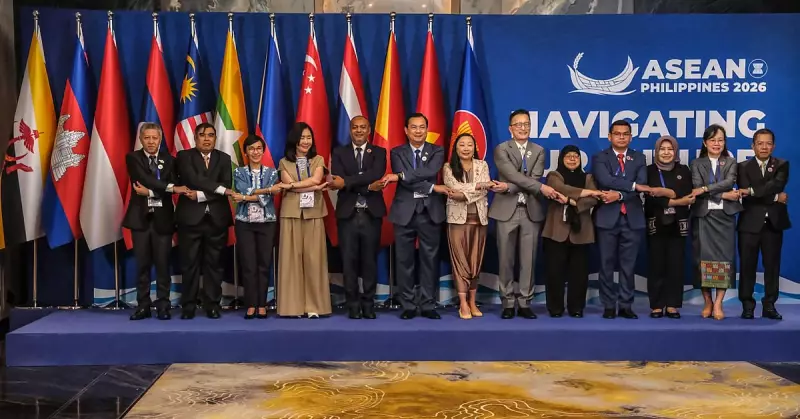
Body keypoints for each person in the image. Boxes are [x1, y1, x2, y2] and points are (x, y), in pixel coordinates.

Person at [381, 113, 449, 320]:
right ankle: (408, 305)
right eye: (414, 127)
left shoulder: (437, 150)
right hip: (404, 212)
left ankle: (428, 304)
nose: (418, 131)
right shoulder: (397, 152)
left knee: (430, 260)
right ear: (406, 130)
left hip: (430, 212)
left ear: (427, 129)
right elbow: (410, 181)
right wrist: (432, 187)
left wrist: (401, 176)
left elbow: (429, 171)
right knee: (404, 261)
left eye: (422, 127)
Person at [489, 109, 555, 320]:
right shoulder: (501, 149)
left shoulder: (539, 150)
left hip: (530, 210)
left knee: (529, 260)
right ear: (510, 128)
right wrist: (539, 187)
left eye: (526, 124)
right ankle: (508, 302)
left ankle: (525, 302)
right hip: (505, 210)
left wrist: (509, 186)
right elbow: (512, 174)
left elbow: (533, 178)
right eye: (518, 124)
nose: (523, 128)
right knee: (505, 260)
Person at [124, 123, 187, 321]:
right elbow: (143, 179)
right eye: (147, 138)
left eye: (155, 138)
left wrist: (151, 192)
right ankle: (143, 306)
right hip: (140, 220)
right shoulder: (133, 158)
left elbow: (173, 183)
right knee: (142, 266)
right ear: (141, 139)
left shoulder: (170, 160)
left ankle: (163, 306)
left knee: (162, 265)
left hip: (163, 219)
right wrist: (170, 189)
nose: (151, 142)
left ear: (160, 139)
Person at [329, 116, 387, 320]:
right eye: (355, 127)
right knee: (349, 262)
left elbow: (376, 173)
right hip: (348, 215)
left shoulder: (379, 152)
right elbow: (337, 179)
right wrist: (368, 186)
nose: (359, 131)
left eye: (363, 127)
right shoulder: (339, 152)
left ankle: (369, 304)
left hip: (371, 214)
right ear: (350, 130)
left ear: (369, 130)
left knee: (370, 261)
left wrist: (348, 182)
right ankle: (353, 305)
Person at [175, 122, 235, 320]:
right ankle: (188, 306)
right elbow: (192, 178)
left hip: (216, 219)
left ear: (215, 138)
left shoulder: (224, 158)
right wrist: (220, 190)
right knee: (189, 264)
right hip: (190, 219)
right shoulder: (184, 156)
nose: (207, 139)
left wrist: (201, 195)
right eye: (202, 135)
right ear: (195, 138)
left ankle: (212, 305)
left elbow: (226, 184)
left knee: (214, 265)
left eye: (210, 135)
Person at [591, 119, 650, 320]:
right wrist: (631, 186)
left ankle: (625, 305)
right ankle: (608, 305)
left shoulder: (639, 158)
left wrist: (619, 195)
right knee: (606, 264)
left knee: (628, 266)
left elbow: (642, 184)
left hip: (632, 218)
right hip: (607, 218)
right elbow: (605, 180)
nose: (622, 137)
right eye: (617, 134)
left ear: (631, 137)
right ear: (610, 136)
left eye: (626, 134)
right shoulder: (600, 157)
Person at [443, 133, 503, 320]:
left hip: (479, 219)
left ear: (475, 147)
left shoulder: (482, 165)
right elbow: (452, 187)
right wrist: (479, 186)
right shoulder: (448, 167)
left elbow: (484, 190)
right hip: (457, 220)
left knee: (475, 262)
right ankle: (463, 303)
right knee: (460, 262)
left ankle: (472, 301)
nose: (466, 148)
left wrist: (465, 193)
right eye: (462, 145)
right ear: (456, 148)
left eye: (470, 144)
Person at [277, 122, 331, 318]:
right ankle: (292, 307)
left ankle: (314, 307)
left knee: (314, 260)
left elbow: (315, 179)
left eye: (309, 137)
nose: (306, 141)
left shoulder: (318, 159)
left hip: (314, 212)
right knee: (290, 259)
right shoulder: (284, 162)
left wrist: (292, 186)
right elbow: (290, 182)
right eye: (302, 138)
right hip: (291, 213)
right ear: (294, 140)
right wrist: (313, 188)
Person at [689, 124, 743, 320]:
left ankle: (719, 303)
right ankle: (708, 301)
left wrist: (706, 189)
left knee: (723, 261)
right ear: (705, 142)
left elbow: (729, 182)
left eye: (720, 140)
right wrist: (724, 195)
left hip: (725, 217)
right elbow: (696, 186)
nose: (717, 143)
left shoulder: (730, 162)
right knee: (702, 260)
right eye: (713, 140)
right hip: (704, 216)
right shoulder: (696, 163)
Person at [541, 145, 602, 318]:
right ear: (562, 159)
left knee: (579, 274)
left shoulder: (588, 177)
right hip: (556, 231)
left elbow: (594, 199)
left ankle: (576, 308)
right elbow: (559, 188)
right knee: (554, 272)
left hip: (581, 231)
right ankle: (555, 308)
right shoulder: (554, 175)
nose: (573, 159)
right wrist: (586, 193)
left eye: (576, 156)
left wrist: (572, 202)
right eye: (568, 156)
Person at [737, 128, 790, 320]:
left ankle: (769, 305)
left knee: (772, 267)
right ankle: (747, 305)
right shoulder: (742, 167)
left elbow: (776, 185)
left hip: (773, 224)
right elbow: (749, 193)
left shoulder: (782, 164)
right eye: (760, 143)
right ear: (753, 146)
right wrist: (775, 197)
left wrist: (751, 191)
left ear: (773, 146)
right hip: (749, 224)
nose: (764, 147)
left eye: (768, 143)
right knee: (747, 266)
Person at [232, 134, 282, 320]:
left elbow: (266, 198)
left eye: (259, 148)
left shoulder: (272, 172)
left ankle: (262, 304)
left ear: (263, 151)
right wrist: (266, 190)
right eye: (251, 149)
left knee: (264, 263)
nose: (255, 152)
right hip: (244, 223)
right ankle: (251, 304)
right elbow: (242, 189)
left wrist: (245, 197)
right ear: (246, 152)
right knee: (248, 264)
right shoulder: (239, 172)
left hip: (266, 222)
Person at [644, 135, 694, 319]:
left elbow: (687, 193)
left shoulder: (683, 170)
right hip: (655, 221)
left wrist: (664, 193)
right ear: (657, 152)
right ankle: (656, 305)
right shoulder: (649, 171)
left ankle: (672, 305)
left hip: (678, 223)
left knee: (676, 264)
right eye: (662, 149)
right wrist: (676, 199)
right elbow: (650, 196)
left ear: (675, 151)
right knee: (656, 264)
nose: (666, 153)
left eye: (670, 149)